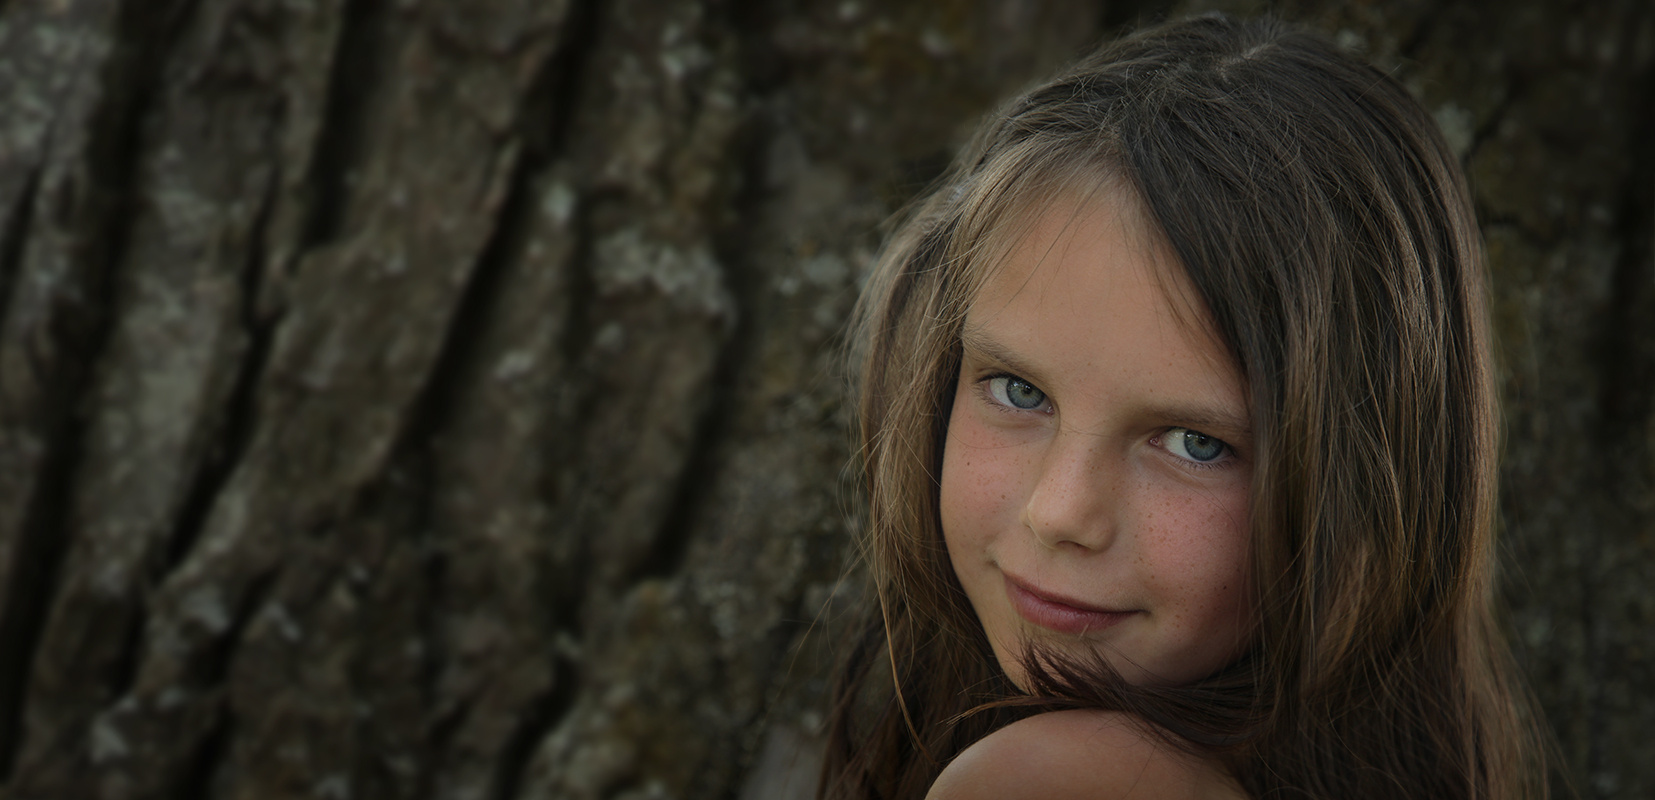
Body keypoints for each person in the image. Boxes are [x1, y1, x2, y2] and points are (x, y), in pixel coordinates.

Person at [820, 13, 1553, 800]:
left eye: (1193, 443)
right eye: (1018, 391)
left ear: (1369, 482)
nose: (1058, 513)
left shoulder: (1042, 782)